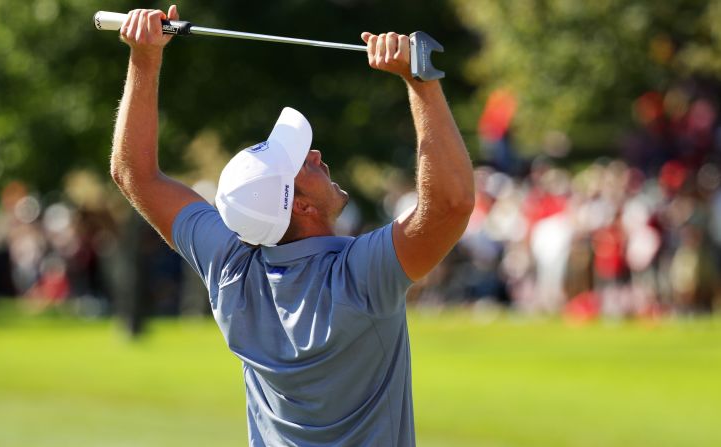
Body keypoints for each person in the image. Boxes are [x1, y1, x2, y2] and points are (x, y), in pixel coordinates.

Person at [110, 6, 474, 446]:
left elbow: (135, 175)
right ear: (300, 204)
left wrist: (143, 59)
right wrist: (421, 85)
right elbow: (450, 206)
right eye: (305, 164)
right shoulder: (358, 277)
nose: (318, 156)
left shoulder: (231, 270)